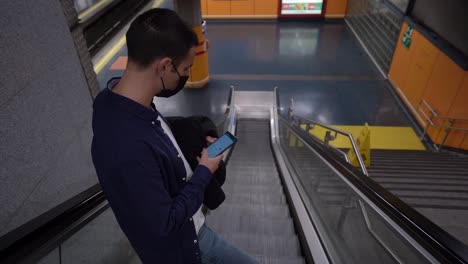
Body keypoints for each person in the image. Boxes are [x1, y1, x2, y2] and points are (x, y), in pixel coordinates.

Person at [91, 8, 258, 264]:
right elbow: (165, 222)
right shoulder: (127, 145)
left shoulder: (116, 100)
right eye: (186, 68)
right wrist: (205, 169)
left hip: (192, 230)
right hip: (189, 247)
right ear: (165, 66)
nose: (187, 74)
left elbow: (152, 149)